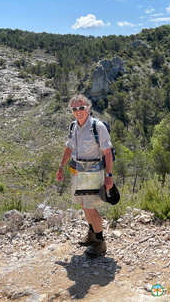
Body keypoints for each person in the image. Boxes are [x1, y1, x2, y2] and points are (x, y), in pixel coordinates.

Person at [56, 95, 114, 257]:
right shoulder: (74, 126)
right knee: (83, 205)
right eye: (75, 109)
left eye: (81, 107)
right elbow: (69, 148)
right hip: (78, 171)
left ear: (88, 107)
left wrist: (109, 176)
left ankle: (100, 242)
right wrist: (61, 166)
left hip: (93, 171)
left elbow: (107, 152)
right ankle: (91, 234)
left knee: (90, 207)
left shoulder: (98, 126)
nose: (78, 111)